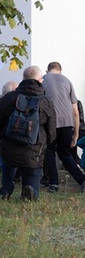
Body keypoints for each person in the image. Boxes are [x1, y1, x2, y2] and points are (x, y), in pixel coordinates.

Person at [0, 66, 56, 201]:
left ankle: (6, 190)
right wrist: (49, 144)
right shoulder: (45, 101)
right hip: (34, 148)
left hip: (10, 146)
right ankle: (30, 190)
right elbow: (51, 129)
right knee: (32, 173)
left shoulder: (9, 98)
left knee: (9, 163)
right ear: (39, 80)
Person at [43, 62, 85, 192]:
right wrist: (76, 134)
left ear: (47, 70)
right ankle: (82, 180)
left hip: (51, 123)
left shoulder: (43, 79)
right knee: (64, 153)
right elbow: (75, 111)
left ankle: (53, 183)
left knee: (50, 152)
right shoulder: (67, 81)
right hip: (67, 123)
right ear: (60, 71)